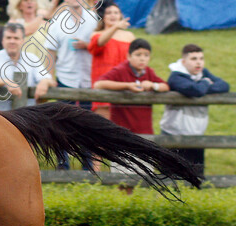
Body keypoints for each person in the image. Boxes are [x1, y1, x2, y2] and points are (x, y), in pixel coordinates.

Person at [45, 0, 100, 170]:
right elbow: (50, 52)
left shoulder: (94, 19)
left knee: (87, 123)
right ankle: (63, 163)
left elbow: (102, 44)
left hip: (88, 79)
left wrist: (88, 46)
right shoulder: (57, 23)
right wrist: (48, 76)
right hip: (65, 79)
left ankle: (88, 163)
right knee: (62, 122)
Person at [160, 44, 229, 177]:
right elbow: (195, 90)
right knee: (170, 180)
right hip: (174, 135)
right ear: (184, 61)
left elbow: (224, 86)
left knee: (196, 178)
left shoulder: (204, 73)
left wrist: (202, 85)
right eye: (194, 59)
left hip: (196, 134)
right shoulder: (175, 76)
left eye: (201, 58)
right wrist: (206, 83)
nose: (199, 62)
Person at [93, 39, 169, 134]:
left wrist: (153, 85)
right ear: (129, 56)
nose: (142, 59)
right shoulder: (120, 70)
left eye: (146, 55)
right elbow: (98, 84)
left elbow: (165, 86)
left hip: (144, 130)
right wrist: (127, 86)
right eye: (138, 55)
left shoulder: (149, 72)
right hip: (122, 130)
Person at [0, 22, 55, 111]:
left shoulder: (32, 58)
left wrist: (44, 82)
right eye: (8, 38)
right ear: (2, 40)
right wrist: (7, 82)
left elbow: (50, 81)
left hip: (25, 117)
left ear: (22, 40)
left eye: (16, 38)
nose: (12, 41)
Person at [87, 1, 133, 123]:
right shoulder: (97, 34)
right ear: (103, 17)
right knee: (104, 126)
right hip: (103, 84)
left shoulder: (129, 36)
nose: (113, 15)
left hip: (124, 84)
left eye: (116, 13)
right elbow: (99, 43)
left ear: (121, 16)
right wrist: (115, 27)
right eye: (109, 13)